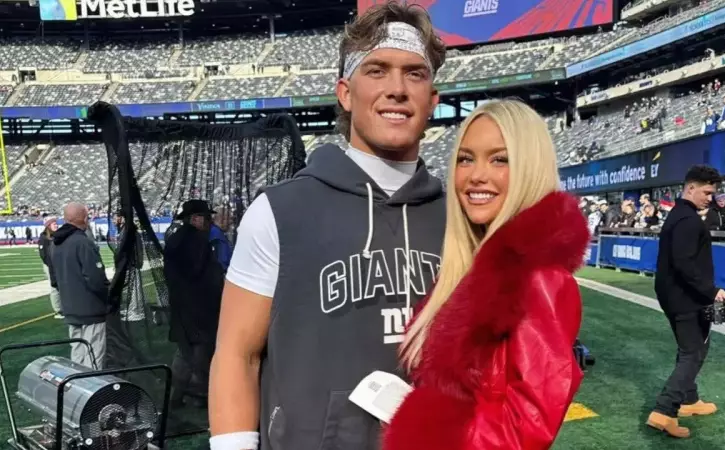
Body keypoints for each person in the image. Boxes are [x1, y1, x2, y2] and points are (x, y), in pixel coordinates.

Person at [208, 4, 447, 450]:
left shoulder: (462, 220)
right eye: (377, 70)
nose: (397, 89)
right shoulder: (278, 211)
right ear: (345, 93)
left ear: (432, 100)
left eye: (414, 74)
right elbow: (237, 356)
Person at [384, 100, 587, 450]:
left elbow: (528, 427)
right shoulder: (468, 267)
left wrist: (428, 437)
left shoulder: (538, 277)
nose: (476, 175)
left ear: (529, 167)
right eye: (465, 159)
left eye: (500, 159)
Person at [647, 165, 725, 438]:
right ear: (691, 187)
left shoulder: (679, 214)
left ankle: (689, 400)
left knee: (692, 348)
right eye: (707, 192)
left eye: (713, 193)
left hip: (675, 295)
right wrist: (711, 291)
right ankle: (664, 410)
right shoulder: (688, 220)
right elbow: (684, 263)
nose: (710, 198)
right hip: (685, 298)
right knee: (693, 353)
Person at [165, 199, 224, 408]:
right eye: (206, 218)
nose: (209, 222)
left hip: (181, 305)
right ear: (195, 218)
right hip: (199, 307)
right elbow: (205, 275)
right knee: (200, 352)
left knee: (185, 350)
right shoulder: (198, 241)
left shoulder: (174, 239)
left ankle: (177, 396)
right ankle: (200, 395)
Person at [51, 202, 111, 369]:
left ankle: (75, 383)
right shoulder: (82, 242)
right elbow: (96, 279)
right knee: (94, 355)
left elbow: (54, 279)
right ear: (84, 218)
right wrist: (107, 295)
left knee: (77, 353)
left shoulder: (55, 243)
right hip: (90, 308)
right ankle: (91, 385)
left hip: (70, 307)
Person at [39, 217, 62, 319]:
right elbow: (44, 255)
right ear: (48, 226)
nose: (56, 225)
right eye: (53, 223)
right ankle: (58, 310)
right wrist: (52, 265)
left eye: (56, 223)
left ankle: (63, 307)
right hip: (50, 265)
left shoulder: (57, 235)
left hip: (59, 264)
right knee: (55, 287)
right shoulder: (44, 238)